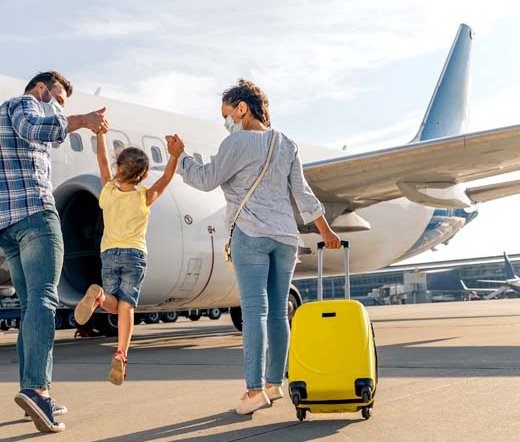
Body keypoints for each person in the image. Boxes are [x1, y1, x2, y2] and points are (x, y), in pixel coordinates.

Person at [166, 79, 341, 415]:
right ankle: (275, 384)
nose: (226, 121)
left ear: (242, 109)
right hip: (287, 237)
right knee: (278, 314)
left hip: (251, 234)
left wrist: (180, 156)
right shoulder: (286, 143)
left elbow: (205, 180)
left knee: (255, 312)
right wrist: (326, 231)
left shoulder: (237, 142)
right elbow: (302, 194)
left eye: (226, 114)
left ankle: (253, 390)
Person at [0, 71, 109, 433]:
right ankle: (37, 389)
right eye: (59, 100)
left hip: (4, 229)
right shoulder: (26, 104)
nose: (60, 108)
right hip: (34, 216)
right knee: (45, 302)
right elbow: (36, 129)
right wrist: (81, 121)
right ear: (42, 89)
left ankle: (34, 388)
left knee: (31, 307)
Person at [73, 132, 180, 385]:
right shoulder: (143, 197)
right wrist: (174, 155)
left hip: (109, 252)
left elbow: (101, 161)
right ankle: (122, 352)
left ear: (117, 167)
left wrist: (100, 135)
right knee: (127, 306)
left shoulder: (108, 191)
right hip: (135, 254)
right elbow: (165, 179)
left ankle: (99, 297)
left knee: (113, 303)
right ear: (143, 176)